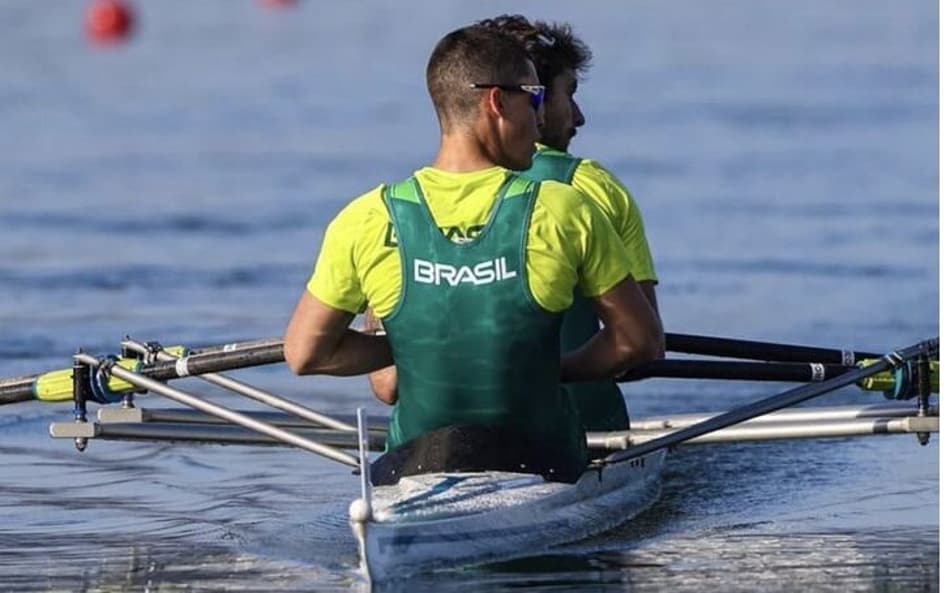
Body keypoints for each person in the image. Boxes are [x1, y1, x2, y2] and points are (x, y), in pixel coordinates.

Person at [284, 24, 662, 485]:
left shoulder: (367, 217)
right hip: (544, 462)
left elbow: (305, 354)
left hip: (412, 466)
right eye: (535, 100)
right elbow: (639, 341)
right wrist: (548, 367)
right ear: (497, 102)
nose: (540, 120)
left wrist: (419, 346)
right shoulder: (563, 208)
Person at [480, 15, 664, 432]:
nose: (579, 118)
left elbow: (386, 384)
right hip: (583, 434)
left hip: (441, 440)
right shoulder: (591, 187)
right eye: (570, 95)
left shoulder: (408, 204)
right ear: (535, 101)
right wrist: (547, 371)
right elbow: (646, 346)